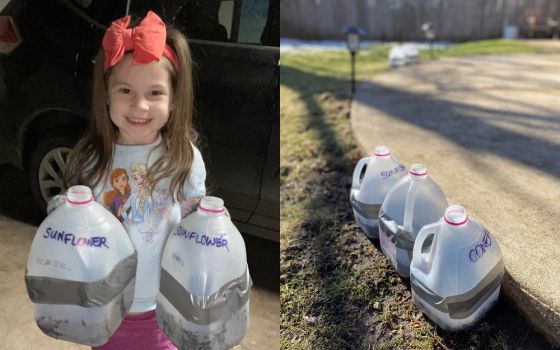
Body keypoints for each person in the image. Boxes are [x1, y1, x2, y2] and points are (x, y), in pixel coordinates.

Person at [60, 10, 206, 350]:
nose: (140, 105)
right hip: (106, 308)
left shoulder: (182, 158)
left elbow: (195, 228)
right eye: (125, 89)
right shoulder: (90, 161)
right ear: (106, 94)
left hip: (163, 309)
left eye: (155, 93)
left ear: (173, 99)